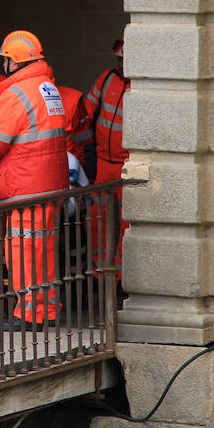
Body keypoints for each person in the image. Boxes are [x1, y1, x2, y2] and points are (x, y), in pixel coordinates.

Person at [0, 30, 69, 330]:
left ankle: (29, 314)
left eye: (5, 60)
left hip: (24, 188)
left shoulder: (15, 94)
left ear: (14, 62)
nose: (2, 65)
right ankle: (48, 310)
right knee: (46, 250)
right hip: (50, 184)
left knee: (23, 252)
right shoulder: (47, 87)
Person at [83, 37, 130, 282]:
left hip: (127, 165)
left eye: (126, 60)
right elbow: (85, 113)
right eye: (119, 60)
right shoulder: (107, 78)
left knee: (127, 223)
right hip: (102, 162)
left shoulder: (143, 86)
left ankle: (121, 278)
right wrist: (86, 156)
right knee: (96, 218)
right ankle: (99, 272)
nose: (122, 65)